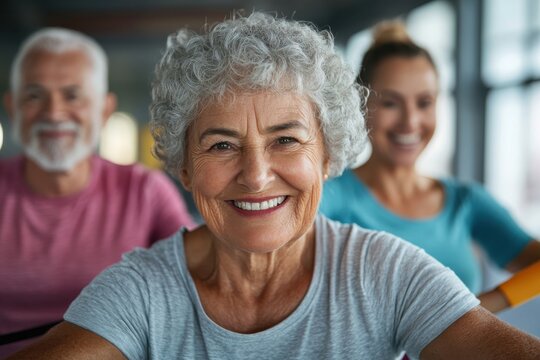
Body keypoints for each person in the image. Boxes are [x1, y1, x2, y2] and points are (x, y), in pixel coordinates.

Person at [8, 13, 540, 360]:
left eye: (286, 140)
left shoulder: (389, 271)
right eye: (221, 145)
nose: (256, 175)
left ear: (327, 154)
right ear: (183, 168)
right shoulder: (140, 289)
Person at [319, 20, 540, 313]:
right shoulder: (330, 196)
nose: (410, 122)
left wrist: (475, 311)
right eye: (391, 103)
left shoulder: (465, 201)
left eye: (424, 103)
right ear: (362, 104)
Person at [0, 27, 196, 356]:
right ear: (12, 106)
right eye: (35, 95)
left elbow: (202, 278)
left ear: (104, 109)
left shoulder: (144, 191)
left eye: (72, 95)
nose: (53, 112)